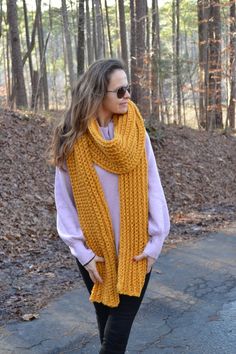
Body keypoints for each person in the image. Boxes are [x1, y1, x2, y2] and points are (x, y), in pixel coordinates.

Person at [51, 58, 170, 354]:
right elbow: (64, 203)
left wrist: (156, 242)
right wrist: (83, 253)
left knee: (114, 342)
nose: (127, 95)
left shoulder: (137, 135)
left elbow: (153, 188)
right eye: (119, 91)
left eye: (127, 88)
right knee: (108, 333)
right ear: (97, 96)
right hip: (94, 255)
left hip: (136, 251)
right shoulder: (73, 140)